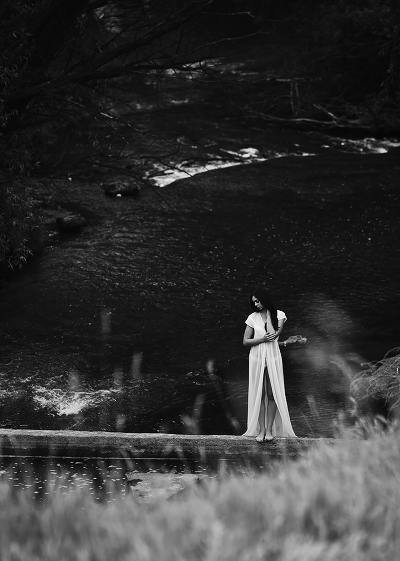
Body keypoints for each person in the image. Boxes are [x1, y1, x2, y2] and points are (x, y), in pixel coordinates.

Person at [243, 287, 296, 441]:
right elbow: (246, 341)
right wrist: (261, 339)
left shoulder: (279, 315)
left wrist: (267, 317)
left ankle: (269, 430)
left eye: (258, 301)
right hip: (257, 356)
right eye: (254, 302)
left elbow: (273, 335)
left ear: (264, 299)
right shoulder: (252, 318)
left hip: (272, 356)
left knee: (272, 394)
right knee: (259, 394)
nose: (256, 304)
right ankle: (261, 429)